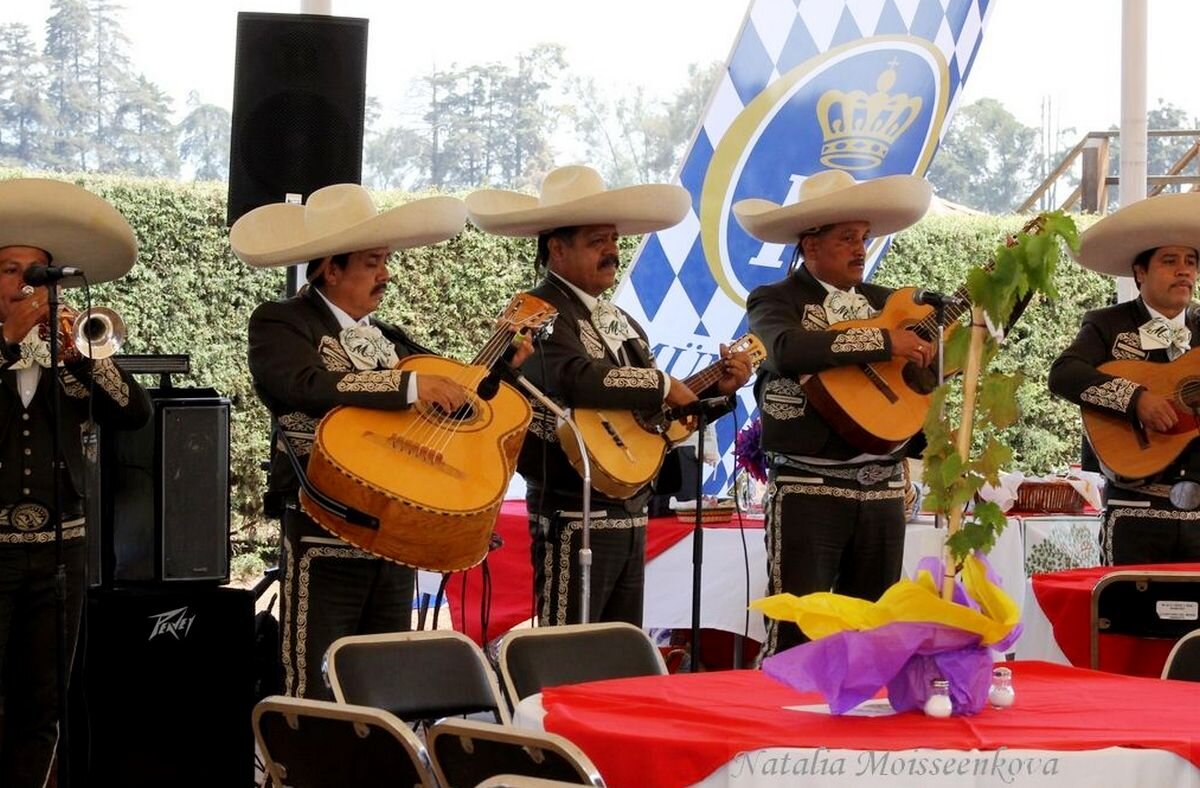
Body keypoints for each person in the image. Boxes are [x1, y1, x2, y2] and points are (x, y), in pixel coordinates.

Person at [234, 185, 525, 699]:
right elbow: (300, 386)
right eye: (373, 262)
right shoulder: (280, 322)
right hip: (325, 520)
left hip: (398, 528)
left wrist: (499, 365)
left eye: (386, 261)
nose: (386, 274)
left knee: (384, 678)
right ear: (330, 267)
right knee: (318, 683)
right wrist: (407, 385)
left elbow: (454, 388)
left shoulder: (393, 338)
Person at [466, 165, 752, 626]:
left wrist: (714, 394)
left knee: (616, 642)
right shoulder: (538, 309)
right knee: (567, 645)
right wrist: (662, 385)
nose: (612, 250)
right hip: (570, 501)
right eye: (598, 241)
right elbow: (571, 376)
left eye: (614, 240)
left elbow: (653, 415)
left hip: (629, 501)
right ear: (557, 249)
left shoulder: (621, 320)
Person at [736, 169, 932, 656]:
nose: (860, 248)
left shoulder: (889, 302)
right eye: (847, 237)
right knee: (799, 631)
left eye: (864, 237)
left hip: (884, 488)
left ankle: (863, 729)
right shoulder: (775, 298)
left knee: (875, 629)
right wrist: (886, 341)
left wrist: (946, 355)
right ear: (810, 245)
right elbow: (785, 350)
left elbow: (919, 385)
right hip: (808, 488)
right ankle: (782, 729)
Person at [0, 178, 151, 787]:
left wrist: (86, 358)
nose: (25, 286)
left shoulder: (69, 359)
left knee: (45, 708)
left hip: (62, 552)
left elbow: (134, 413)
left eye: (37, 274)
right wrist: (8, 343)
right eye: (11, 270)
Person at [1049, 191, 1200, 565]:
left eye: (1191, 261)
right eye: (1170, 261)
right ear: (1140, 273)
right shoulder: (1108, 324)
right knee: (1127, 613)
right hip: (1134, 505)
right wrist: (1135, 399)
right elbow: (1064, 375)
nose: (1184, 270)